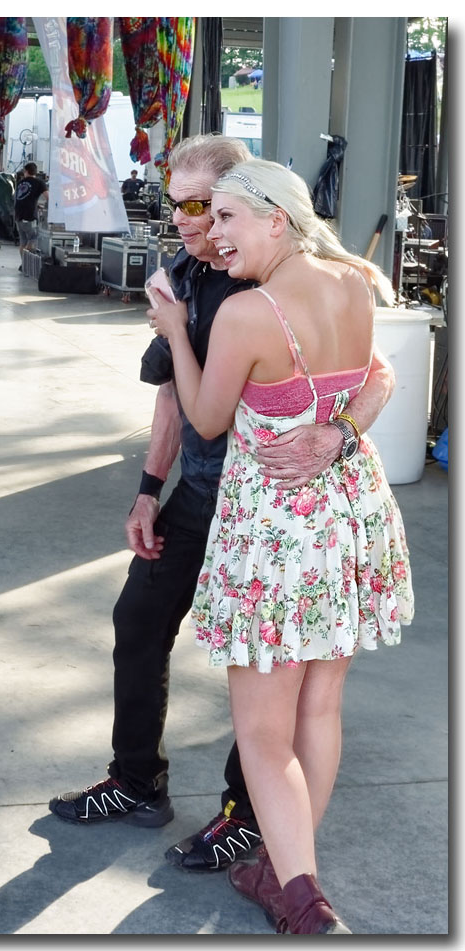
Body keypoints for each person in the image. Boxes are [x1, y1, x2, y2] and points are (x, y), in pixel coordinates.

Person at [49, 135, 395, 879]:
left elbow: (379, 372)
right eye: (175, 204)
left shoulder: (268, 286)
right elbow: (173, 401)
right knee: (140, 619)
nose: (185, 219)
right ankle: (137, 780)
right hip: (209, 496)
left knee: (270, 671)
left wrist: (335, 432)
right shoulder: (184, 275)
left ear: (259, 208)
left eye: (205, 206)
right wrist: (149, 490)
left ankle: (250, 820)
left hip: (268, 507)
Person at [151, 158, 413, 934]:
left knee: (264, 731)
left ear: (277, 219)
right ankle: (283, 865)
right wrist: (340, 430)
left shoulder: (247, 314)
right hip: (348, 515)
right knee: (319, 707)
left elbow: (205, 418)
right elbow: (375, 375)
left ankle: (302, 898)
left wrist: (176, 332)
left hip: (277, 533)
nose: (213, 233)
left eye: (227, 216)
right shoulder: (354, 283)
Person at [13, 162, 46, 266]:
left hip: (18, 216)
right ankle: (28, 263)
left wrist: (35, 205)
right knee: (33, 238)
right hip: (29, 217)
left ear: (26, 171)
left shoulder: (20, 183)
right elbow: (48, 197)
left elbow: (21, 198)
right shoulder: (39, 183)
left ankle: (24, 265)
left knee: (23, 241)